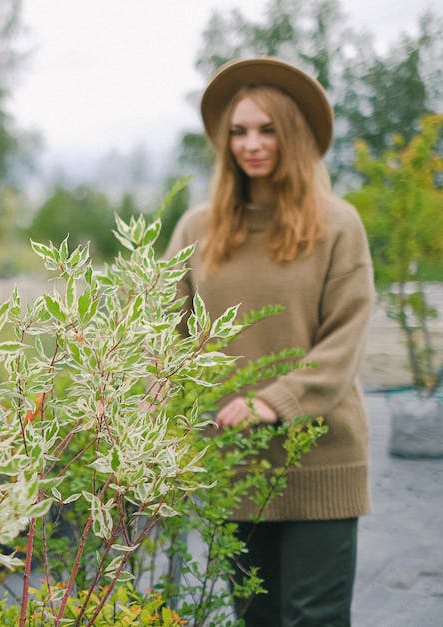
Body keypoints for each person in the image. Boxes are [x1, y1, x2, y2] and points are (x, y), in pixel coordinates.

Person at [165, 57, 375, 625]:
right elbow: (162, 339)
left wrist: (271, 400)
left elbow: (344, 339)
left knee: (314, 617)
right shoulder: (196, 231)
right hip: (233, 460)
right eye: (239, 131)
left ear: (294, 134)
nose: (251, 144)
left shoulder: (338, 225)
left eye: (267, 129)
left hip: (320, 455)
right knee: (252, 615)